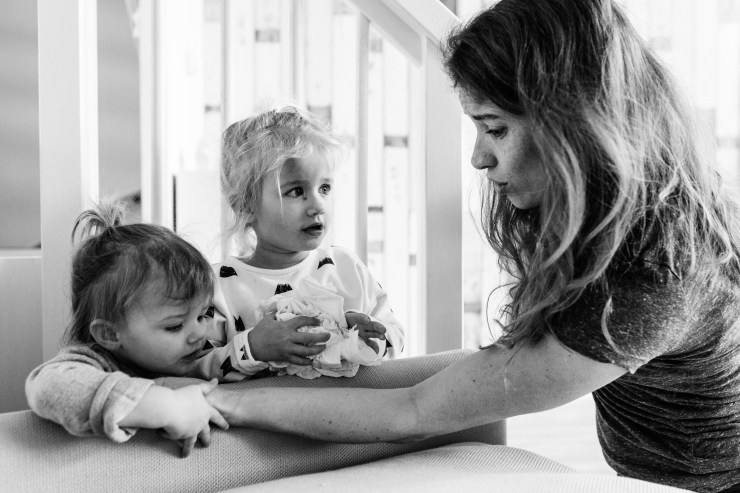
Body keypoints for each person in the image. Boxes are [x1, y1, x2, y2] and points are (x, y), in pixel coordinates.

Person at [205, 1, 740, 492]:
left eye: (495, 129)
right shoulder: (625, 225)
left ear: (574, 125)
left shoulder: (654, 273)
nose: (478, 158)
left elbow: (414, 411)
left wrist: (219, 400)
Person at [192, 105, 405, 381]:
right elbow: (196, 368)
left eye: (324, 188)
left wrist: (367, 336)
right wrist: (252, 347)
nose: (318, 205)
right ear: (245, 204)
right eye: (296, 191)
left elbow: (396, 337)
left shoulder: (345, 268)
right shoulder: (219, 288)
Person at [25, 202, 231, 457]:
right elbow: (48, 387)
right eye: (175, 326)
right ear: (110, 334)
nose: (199, 334)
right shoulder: (96, 362)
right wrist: (167, 406)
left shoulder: (196, 351)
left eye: (203, 315)